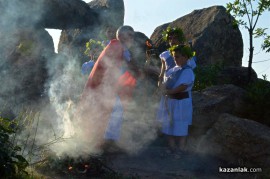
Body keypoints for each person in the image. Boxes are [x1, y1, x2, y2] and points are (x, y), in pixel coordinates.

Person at [80, 25, 136, 153]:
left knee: (116, 111)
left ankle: (106, 144)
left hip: (110, 88)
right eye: (129, 35)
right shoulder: (117, 47)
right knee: (111, 112)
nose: (132, 39)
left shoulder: (118, 47)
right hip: (105, 88)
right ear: (121, 36)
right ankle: (103, 144)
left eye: (133, 36)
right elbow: (113, 68)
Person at [158, 44, 195, 155]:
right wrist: (162, 88)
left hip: (181, 102)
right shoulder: (172, 70)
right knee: (168, 124)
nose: (175, 59)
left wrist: (168, 92)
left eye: (177, 57)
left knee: (180, 124)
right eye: (174, 57)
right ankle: (172, 147)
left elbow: (182, 86)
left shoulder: (188, 71)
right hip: (170, 101)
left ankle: (181, 148)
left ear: (185, 57)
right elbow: (165, 82)